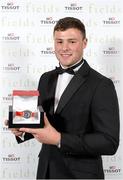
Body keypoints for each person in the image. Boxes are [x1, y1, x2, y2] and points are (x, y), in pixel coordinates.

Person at [7, 17, 120, 179]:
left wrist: (59, 139)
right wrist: (22, 130)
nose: (64, 48)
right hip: (46, 171)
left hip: (80, 175)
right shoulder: (45, 78)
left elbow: (109, 142)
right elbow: (44, 124)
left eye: (72, 42)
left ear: (84, 43)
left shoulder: (102, 84)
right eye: (59, 42)